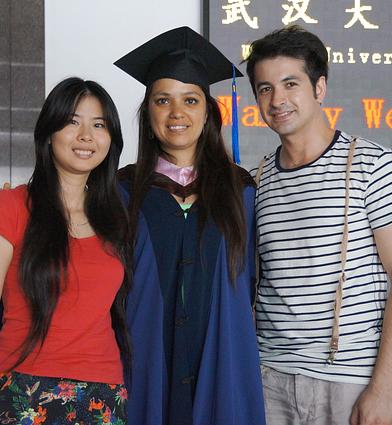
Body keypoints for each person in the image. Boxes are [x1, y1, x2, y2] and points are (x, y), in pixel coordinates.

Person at [244, 26, 392, 425]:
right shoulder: (256, 179)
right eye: (264, 89)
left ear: (319, 88)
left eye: (290, 84)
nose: (277, 100)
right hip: (269, 381)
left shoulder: (373, 165)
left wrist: (381, 388)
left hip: (351, 383)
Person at [114, 26, 266, 425]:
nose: (176, 113)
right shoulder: (120, 191)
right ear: (148, 113)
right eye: (162, 100)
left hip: (223, 364)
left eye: (190, 100)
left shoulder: (242, 192)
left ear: (208, 112)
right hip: (143, 363)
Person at [0, 77, 131, 425]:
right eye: (72, 121)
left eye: (99, 125)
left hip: (103, 396)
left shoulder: (115, 218)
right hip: (24, 392)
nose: (86, 136)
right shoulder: (8, 209)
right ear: (49, 132)